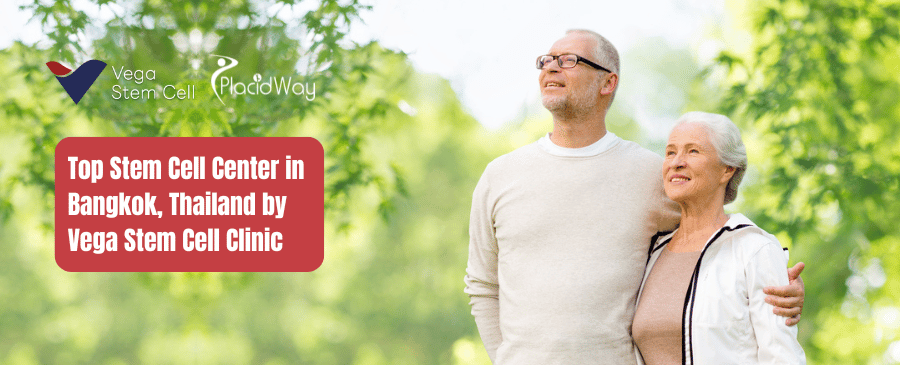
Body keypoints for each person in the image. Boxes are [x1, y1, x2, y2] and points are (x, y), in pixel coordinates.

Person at [464, 30, 805, 365]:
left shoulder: (650, 174)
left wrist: (775, 283)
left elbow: (712, 231)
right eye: (546, 60)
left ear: (607, 83)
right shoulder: (500, 176)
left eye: (568, 60)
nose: (551, 67)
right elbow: (482, 286)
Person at [632, 112, 806, 364]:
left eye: (693, 151)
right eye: (670, 152)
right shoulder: (651, 252)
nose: (676, 162)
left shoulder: (754, 249)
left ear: (727, 169)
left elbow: (782, 356)